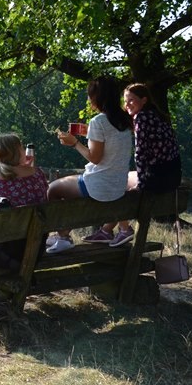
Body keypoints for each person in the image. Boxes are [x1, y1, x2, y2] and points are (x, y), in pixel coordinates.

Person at [83, 82, 183, 243]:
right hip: (172, 176)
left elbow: (141, 154)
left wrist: (141, 183)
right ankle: (109, 230)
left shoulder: (141, 118)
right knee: (120, 179)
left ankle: (120, 229)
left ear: (144, 100)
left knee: (117, 184)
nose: (127, 104)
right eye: (125, 100)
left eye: (131, 100)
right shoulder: (155, 115)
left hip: (157, 178)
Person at [46, 77, 133, 253]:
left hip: (99, 185)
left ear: (98, 98)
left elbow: (95, 158)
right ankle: (63, 233)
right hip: (118, 184)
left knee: (52, 190)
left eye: (90, 95)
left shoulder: (98, 121)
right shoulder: (124, 120)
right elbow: (111, 143)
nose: (88, 99)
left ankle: (63, 237)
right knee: (68, 189)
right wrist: (90, 133)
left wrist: (74, 143)